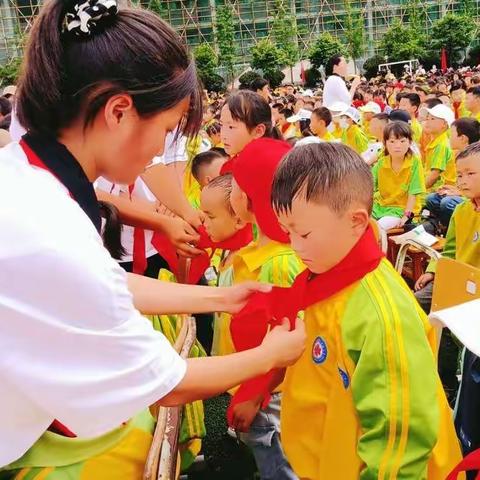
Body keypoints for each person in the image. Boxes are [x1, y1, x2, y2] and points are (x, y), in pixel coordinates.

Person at [0, 1, 305, 476]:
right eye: (165, 130)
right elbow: (166, 383)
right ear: (119, 111)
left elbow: (104, 286)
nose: (161, 153)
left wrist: (222, 299)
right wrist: (270, 355)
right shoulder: (48, 231)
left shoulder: (31, 183)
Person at [270, 142, 462, 479]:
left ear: (357, 221)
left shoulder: (381, 315)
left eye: (303, 233)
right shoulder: (327, 278)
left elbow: (399, 436)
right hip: (331, 460)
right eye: (287, 233)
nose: (295, 247)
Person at [227, 138, 303, 480]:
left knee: (281, 461)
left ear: (247, 198)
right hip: (254, 382)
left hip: (272, 397)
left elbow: (288, 342)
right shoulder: (257, 253)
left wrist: (254, 393)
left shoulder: (280, 264)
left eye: (234, 186)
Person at [415, 142, 480, 406]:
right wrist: (432, 271)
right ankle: (438, 378)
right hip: (457, 279)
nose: (462, 181)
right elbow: (450, 249)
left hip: (474, 288)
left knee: (456, 327)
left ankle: (455, 387)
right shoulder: (462, 210)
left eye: (470, 174)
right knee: (417, 304)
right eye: (460, 174)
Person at [424, 117, 480, 229]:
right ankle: (444, 227)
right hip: (462, 192)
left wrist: (459, 192)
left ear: (463, 138)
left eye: (452, 135)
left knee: (447, 202)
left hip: (471, 197)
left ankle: (451, 229)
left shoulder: (475, 157)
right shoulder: (457, 154)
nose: (449, 138)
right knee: (432, 198)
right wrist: (450, 189)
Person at [372, 121, 426, 230]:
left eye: (402, 141)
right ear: (385, 143)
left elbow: (413, 193)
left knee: (378, 227)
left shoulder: (414, 163)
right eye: (392, 141)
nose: (397, 146)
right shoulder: (381, 163)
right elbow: (369, 187)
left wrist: (406, 216)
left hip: (401, 210)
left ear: (410, 142)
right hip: (380, 207)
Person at [423, 104, 456, 192]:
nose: (427, 121)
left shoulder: (442, 145)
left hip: (437, 190)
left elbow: (434, 175)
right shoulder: (435, 141)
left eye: (432, 119)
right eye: (427, 118)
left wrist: (417, 190)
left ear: (444, 124)